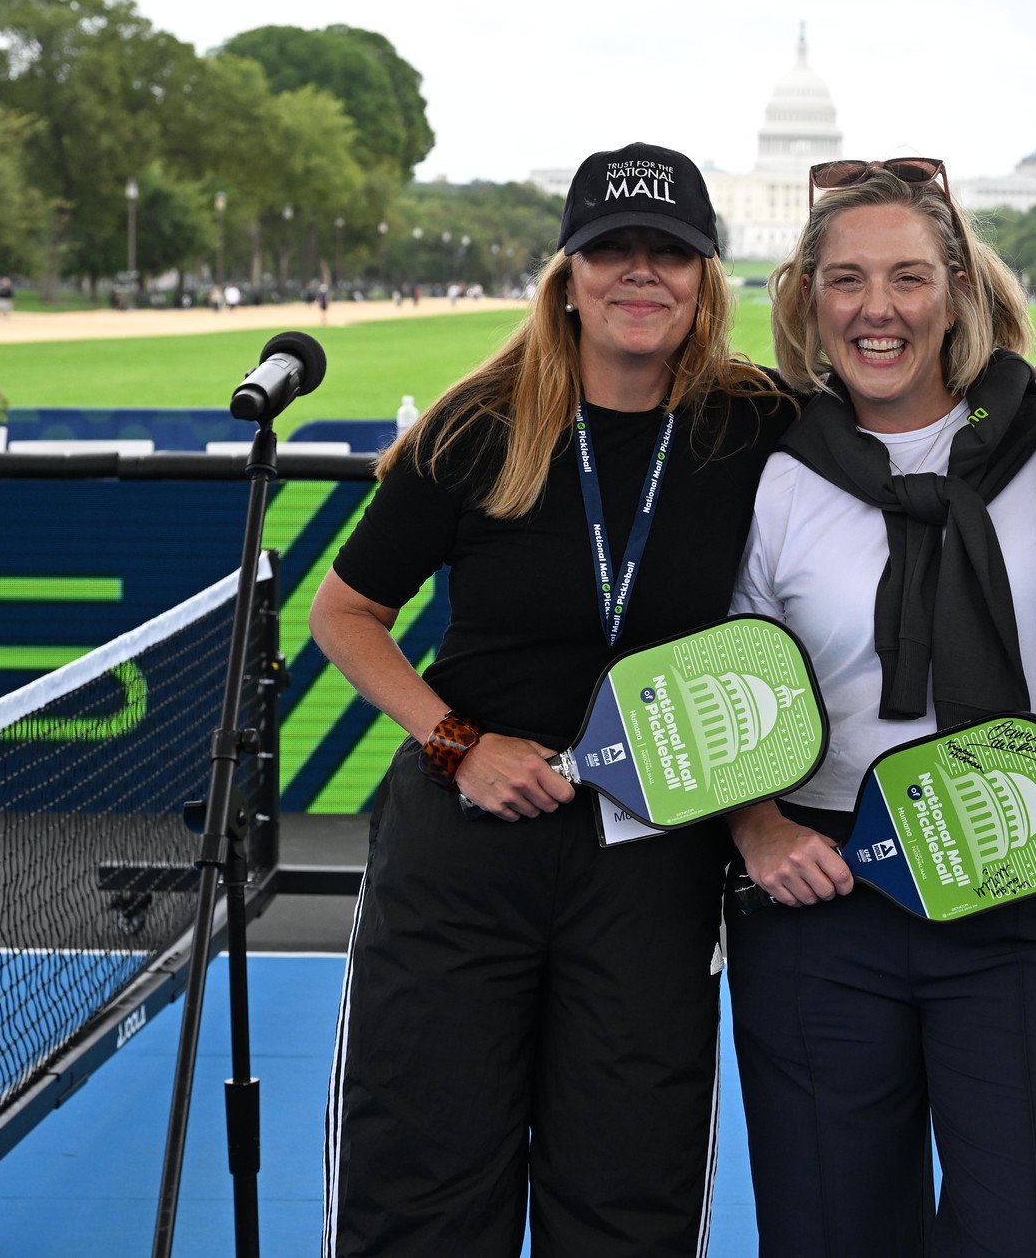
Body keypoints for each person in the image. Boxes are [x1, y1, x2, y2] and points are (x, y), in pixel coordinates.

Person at [309, 142, 793, 1257]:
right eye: (611, 250)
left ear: (705, 277)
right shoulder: (478, 424)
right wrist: (456, 743)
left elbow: (925, 393)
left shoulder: (754, 422)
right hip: (465, 844)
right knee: (420, 1184)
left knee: (629, 1193)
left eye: (669, 251)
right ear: (568, 275)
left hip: (653, 855)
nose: (640, 272)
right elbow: (345, 615)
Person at [721, 161, 1036, 1258]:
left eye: (907, 277)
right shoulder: (770, 471)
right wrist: (756, 828)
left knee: (1032, 1236)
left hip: (1018, 884)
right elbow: (728, 686)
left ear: (957, 291)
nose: (878, 309)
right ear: (807, 298)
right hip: (824, 900)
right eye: (846, 279)